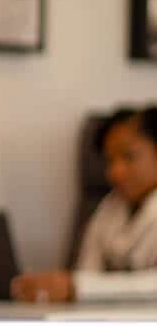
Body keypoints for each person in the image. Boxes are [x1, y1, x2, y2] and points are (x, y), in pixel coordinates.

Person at [11, 105, 157, 303]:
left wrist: (78, 287)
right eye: (110, 160)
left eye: (128, 157)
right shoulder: (111, 207)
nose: (115, 172)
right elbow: (86, 271)